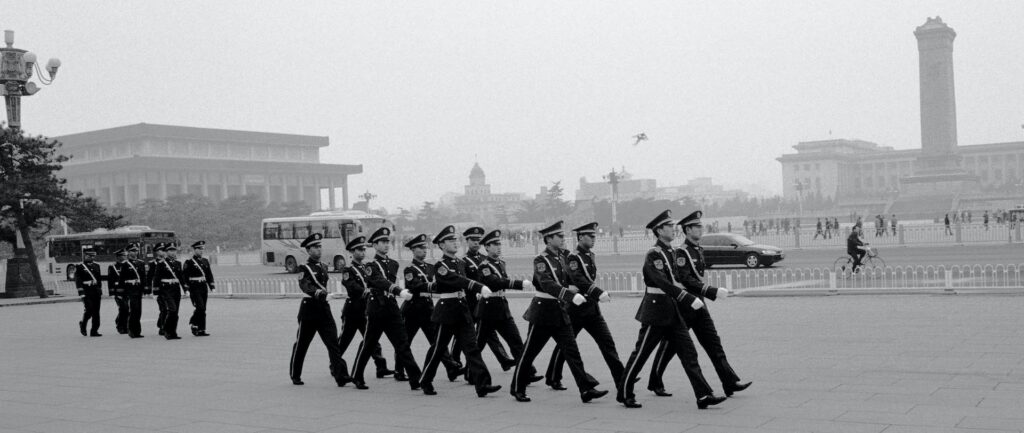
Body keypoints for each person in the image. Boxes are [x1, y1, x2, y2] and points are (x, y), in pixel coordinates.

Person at [617, 210, 725, 410]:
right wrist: (687, 298)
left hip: (673, 311)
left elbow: (682, 279)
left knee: (689, 353)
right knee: (641, 354)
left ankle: (703, 396)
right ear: (659, 231)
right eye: (668, 226)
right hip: (656, 311)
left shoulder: (672, 253)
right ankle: (624, 392)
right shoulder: (654, 255)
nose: (673, 229)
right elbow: (662, 282)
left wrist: (701, 294)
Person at [646, 211, 752, 398]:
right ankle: (655, 380)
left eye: (701, 226)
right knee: (669, 347)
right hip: (686, 306)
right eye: (697, 227)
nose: (701, 229)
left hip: (700, 305)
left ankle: (729, 382)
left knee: (713, 343)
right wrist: (711, 291)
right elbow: (685, 279)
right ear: (688, 230)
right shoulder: (681, 252)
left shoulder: (698, 250)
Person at [510, 220, 608, 404]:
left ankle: (585, 389)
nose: (564, 239)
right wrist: (569, 295)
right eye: (560, 236)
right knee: (529, 352)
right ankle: (517, 387)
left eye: (563, 236)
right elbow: (547, 283)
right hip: (543, 312)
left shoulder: (564, 257)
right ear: (548, 239)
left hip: (560, 312)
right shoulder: (541, 260)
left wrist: (580, 291)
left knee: (572, 352)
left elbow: (572, 277)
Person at [417, 225, 502, 398]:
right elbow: (455, 280)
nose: (455, 243)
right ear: (441, 245)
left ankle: (483, 384)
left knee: (472, 349)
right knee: (439, 348)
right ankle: (425, 379)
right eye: (450, 240)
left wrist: (479, 289)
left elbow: (467, 281)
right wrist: (478, 286)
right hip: (447, 311)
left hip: (462, 309)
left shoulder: (460, 263)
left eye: (455, 240)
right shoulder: (440, 265)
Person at [544, 222, 624, 397]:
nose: (594, 239)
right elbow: (578, 279)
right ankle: (553, 376)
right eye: (591, 236)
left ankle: (622, 378)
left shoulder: (589, 255)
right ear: (580, 237)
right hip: (576, 309)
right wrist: (598, 292)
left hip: (592, 309)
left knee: (607, 343)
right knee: (566, 346)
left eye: (595, 236)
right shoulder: (574, 258)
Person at [350, 227, 423, 391]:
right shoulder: (370, 266)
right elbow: (379, 281)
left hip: (391, 307)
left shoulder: (393, 263)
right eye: (382, 242)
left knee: (402, 344)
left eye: (387, 242)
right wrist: (398, 290)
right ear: (374, 246)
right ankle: (357, 375)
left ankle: (415, 378)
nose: (386, 245)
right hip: (376, 308)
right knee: (369, 344)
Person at [474, 229, 543, 386]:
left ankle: (527, 372)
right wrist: (518, 284)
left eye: (499, 244)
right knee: (478, 345)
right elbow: (494, 282)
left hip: (501, 307)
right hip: (488, 309)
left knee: (516, 341)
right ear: (487, 247)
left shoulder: (501, 263)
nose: (499, 247)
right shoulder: (484, 266)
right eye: (495, 245)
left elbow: (501, 282)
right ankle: (473, 374)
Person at [288, 233, 352, 387]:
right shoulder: (304, 268)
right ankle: (295, 374)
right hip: (309, 309)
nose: (319, 250)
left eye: (319, 246)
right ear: (308, 250)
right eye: (315, 247)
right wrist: (320, 294)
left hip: (323, 309)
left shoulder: (323, 266)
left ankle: (341, 375)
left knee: (333, 344)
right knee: (302, 344)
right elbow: (305, 285)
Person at [401, 234, 465, 382]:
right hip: (413, 309)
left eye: (425, 247)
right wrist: (436, 287)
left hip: (428, 308)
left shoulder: (431, 267)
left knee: (437, 341)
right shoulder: (409, 270)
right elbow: (414, 286)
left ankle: (451, 368)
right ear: (412, 250)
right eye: (420, 248)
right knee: (406, 341)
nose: (424, 250)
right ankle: (400, 370)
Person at [455, 227, 514, 374]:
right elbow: (463, 281)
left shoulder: (483, 259)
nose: (476, 243)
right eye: (473, 240)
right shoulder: (463, 261)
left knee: (488, 333)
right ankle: (455, 361)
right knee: (462, 334)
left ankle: (504, 359)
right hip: (470, 302)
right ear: (467, 241)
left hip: (485, 302)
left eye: (478, 240)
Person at [337, 236, 393, 382]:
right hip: (352, 310)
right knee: (344, 341)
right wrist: (364, 291)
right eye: (359, 250)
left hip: (366, 309)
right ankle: (335, 365)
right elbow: (350, 285)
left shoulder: (366, 267)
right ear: (351, 251)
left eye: (364, 249)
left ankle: (381, 366)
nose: (362, 252)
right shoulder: (348, 269)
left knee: (372, 340)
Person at [182, 240, 215, 336]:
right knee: (200, 307)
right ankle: (194, 322)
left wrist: (211, 286)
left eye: (202, 249)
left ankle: (201, 329)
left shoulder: (205, 261)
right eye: (199, 249)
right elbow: (185, 277)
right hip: (194, 287)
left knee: (203, 308)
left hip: (203, 287)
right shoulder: (189, 262)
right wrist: (186, 289)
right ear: (194, 250)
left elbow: (209, 274)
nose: (201, 251)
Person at [75, 247, 103, 337]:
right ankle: (83, 324)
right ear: (85, 256)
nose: (91, 258)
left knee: (96, 312)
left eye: (93, 256)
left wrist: (100, 289)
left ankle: (94, 331)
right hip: (86, 291)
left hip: (95, 291)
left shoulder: (97, 266)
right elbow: (78, 281)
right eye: (89, 256)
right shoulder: (79, 267)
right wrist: (81, 293)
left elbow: (99, 279)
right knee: (89, 309)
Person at [121, 243, 147, 338]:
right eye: (132, 251)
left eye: (136, 250)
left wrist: (145, 288)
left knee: (138, 310)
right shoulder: (125, 264)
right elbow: (121, 279)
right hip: (130, 289)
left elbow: (143, 277)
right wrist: (122, 292)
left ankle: (137, 331)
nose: (135, 253)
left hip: (138, 289)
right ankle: (131, 330)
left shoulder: (141, 263)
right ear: (128, 252)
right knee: (134, 309)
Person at [109, 248, 129, 335]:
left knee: (127, 309)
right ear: (118, 257)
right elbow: (110, 280)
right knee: (123, 308)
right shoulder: (112, 267)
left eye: (125, 255)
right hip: (118, 291)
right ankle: (120, 326)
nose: (125, 257)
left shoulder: (128, 265)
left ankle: (123, 324)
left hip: (127, 290)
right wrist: (112, 292)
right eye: (123, 255)